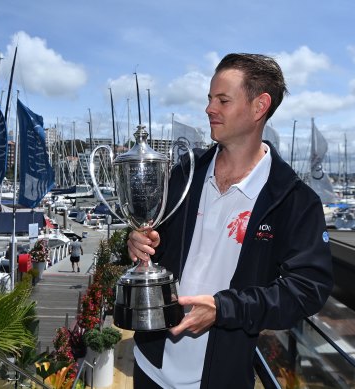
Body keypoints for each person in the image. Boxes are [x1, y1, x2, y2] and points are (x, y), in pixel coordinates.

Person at [127, 53, 333, 388]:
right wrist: (137, 242)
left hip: (221, 377)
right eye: (210, 99)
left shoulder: (294, 200)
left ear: (259, 107)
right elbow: (152, 237)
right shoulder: (184, 173)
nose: (210, 109)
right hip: (151, 365)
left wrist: (225, 308)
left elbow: (307, 290)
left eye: (223, 100)